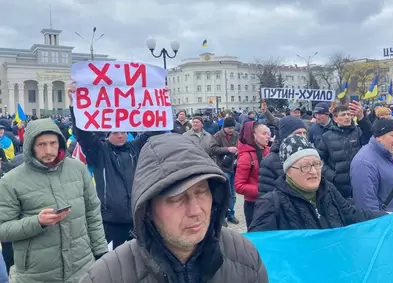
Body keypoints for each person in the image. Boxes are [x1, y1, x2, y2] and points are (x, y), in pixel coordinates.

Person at [79, 135, 268, 283]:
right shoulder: (107, 276)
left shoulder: (245, 257)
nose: (195, 211)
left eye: (202, 192)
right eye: (177, 199)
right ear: (148, 208)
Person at [0, 118, 107, 282]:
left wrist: (101, 251)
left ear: (61, 143)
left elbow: (92, 212)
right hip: (37, 275)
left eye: (53, 143)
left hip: (81, 268)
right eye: (41, 145)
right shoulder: (11, 181)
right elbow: (4, 229)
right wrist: (37, 222)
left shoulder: (78, 169)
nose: (49, 150)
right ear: (30, 146)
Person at [68, 85, 161, 249]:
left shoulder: (135, 148)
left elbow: (155, 129)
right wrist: (75, 104)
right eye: (115, 132)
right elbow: (83, 134)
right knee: (113, 266)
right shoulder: (99, 151)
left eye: (124, 132)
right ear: (107, 135)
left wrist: (161, 101)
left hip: (138, 218)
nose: (120, 135)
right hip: (110, 222)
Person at [249, 135, 384, 232]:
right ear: (288, 171)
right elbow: (261, 249)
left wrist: (385, 217)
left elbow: (352, 215)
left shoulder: (328, 190)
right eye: (305, 166)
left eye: (317, 164)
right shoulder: (270, 204)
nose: (313, 171)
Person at [350, 119, 393, 248]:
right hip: (384, 232)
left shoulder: (386, 155)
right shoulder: (365, 162)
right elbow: (367, 205)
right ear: (378, 137)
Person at [318, 102, 373, 199]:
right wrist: (333, 176)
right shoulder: (326, 136)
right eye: (343, 115)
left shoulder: (358, 131)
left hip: (359, 181)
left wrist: (362, 118)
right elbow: (320, 160)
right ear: (335, 118)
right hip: (338, 186)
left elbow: (370, 137)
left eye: (349, 114)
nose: (347, 117)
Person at [258, 115, 307, 198]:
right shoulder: (270, 161)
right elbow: (267, 197)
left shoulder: (309, 156)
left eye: (304, 133)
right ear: (285, 135)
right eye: (298, 133)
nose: (302, 137)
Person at [234, 121, 271, 229]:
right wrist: (261, 189)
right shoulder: (246, 156)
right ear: (253, 135)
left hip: (270, 201)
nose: (268, 136)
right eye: (264, 134)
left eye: (268, 133)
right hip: (254, 204)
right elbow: (239, 186)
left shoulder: (269, 151)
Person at [211, 117, 240, 225]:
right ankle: (221, 216)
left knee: (232, 194)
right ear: (224, 127)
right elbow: (213, 150)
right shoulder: (218, 135)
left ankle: (231, 214)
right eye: (229, 128)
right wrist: (227, 149)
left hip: (234, 166)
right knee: (223, 193)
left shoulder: (236, 135)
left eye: (233, 128)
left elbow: (239, 145)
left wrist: (238, 151)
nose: (231, 130)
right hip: (223, 167)